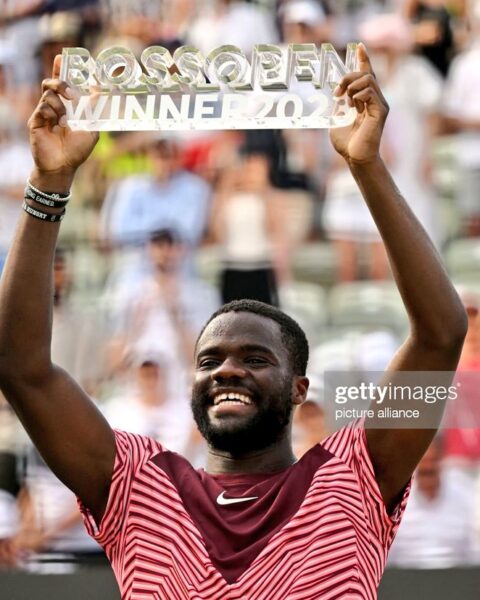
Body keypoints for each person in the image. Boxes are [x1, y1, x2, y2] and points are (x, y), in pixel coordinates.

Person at [0, 45, 467, 598]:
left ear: (300, 390)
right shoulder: (136, 484)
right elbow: (21, 368)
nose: (226, 370)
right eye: (209, 360)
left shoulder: (357, 475)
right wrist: (49, 185)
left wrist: (366, 166)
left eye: (255, 358)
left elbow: (441, 336)